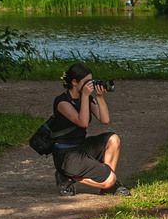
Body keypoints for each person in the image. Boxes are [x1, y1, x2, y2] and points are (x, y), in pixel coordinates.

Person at [50, 62, 130, 196]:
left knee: (113, 139)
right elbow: (83, 122)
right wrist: (86, 96)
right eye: (86, 82)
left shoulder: (86, 98)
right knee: (110, 179)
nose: (90, 85)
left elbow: (105, 120)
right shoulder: (62, 102)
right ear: (75, 82)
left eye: (91, 81)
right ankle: (65, 177)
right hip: (66, 155)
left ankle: (107, 183)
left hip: (81, 147)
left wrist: (99, 97)